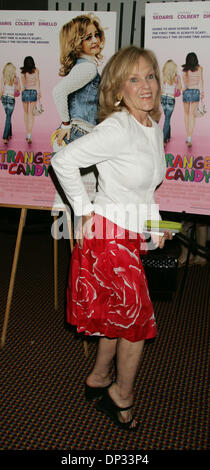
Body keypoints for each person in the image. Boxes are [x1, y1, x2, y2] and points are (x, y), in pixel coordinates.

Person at [51, 46, 172, 430]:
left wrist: (154, 224)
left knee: (116, 318)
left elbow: (146, 189)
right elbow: (62, 161)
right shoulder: (117, 127)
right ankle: (121, 394)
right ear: (118, 89)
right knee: (136, 323)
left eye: (150, 75)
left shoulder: (151, 125)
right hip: (108, 239)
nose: (146, 85)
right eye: (133, 79)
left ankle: (99, 378)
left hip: (130, 235)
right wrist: (84, 211)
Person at [51, 13, 105, 207]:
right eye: (87, 37)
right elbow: (59, 92)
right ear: (76, 42)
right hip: (81, 132)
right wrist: (66, 124)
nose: (95, 40)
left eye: (96, 34)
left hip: (80, 132)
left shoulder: (84, 66)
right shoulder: (87, 69)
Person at [182, 52, 204, 147]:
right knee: (192, 115)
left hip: (187, 91)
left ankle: (187, 135)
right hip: (196, 91)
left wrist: (186, 85)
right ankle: (190, 136)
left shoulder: (185, 70)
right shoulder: (200, 68)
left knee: (186, 114)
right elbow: (201, 80)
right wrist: (202, 92)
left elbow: (185, 83)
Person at [20, 56, 41, 144]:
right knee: (31, 115)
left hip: (25, 92)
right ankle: (29, 134)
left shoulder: (23, 72)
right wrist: (39, 92)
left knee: (26, 113)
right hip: (33, 92)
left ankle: (27, 132)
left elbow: (24, 85)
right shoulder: (36, 70)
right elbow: (37, 81)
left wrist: (24, 89)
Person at [161, 59, 182, 145]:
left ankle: (167, 137)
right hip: (170, 98)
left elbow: (161, 88)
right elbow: (180, 88)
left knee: (167, 118)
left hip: (162, 98)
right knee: (167, 119)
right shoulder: (177, 77)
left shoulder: (164, 76)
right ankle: (163, 140)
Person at [0, 62, 21, 144]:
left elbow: (1, 89)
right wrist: (15, 85)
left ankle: (9, 133)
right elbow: (19, 89)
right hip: (11, 98)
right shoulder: (16, 79)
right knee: (8, 117)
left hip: (4, 98)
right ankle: (5, 137)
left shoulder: (3, 78)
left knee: (8, 116)